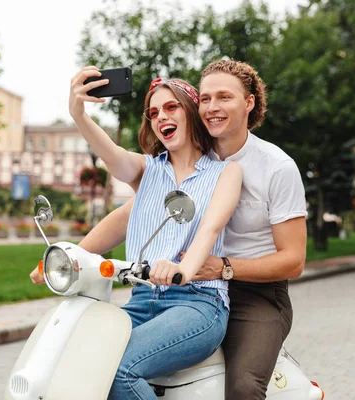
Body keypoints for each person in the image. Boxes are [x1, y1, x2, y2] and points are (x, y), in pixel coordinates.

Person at [32, 60, 307, 400]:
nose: (212, 107)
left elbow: (219, 232)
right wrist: (66, 257)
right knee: (85, 362)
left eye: (224, 97)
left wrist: (195, 268)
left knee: (242, 387)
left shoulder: (257, 168)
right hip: (153, 291)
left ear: (248, 103)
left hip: (238, 292)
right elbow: (125, 210)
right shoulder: (152, 170)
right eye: (206, 98)